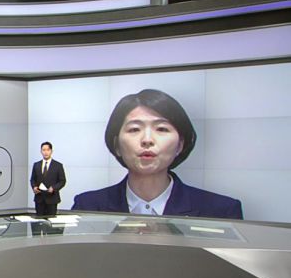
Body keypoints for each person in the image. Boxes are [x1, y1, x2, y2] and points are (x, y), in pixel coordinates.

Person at [72, 89, 242, 219]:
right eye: (134, 129)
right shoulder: (87, 206)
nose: (147, 140)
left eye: (161, 129)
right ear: (116, 145)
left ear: (180, 145)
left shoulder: (220, 210)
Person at [30, 141, 67, 216]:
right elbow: (32, 179)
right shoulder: (36, 165)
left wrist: (53, 188)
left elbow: (62, 181)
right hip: (39, 199)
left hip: (52, 199)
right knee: (39, 221)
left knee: (51, 220)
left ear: (51, 151)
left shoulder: (58, 165)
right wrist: (34, 187)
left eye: (48, 150)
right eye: (43, 150)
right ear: (41, 151)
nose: (46, 152)